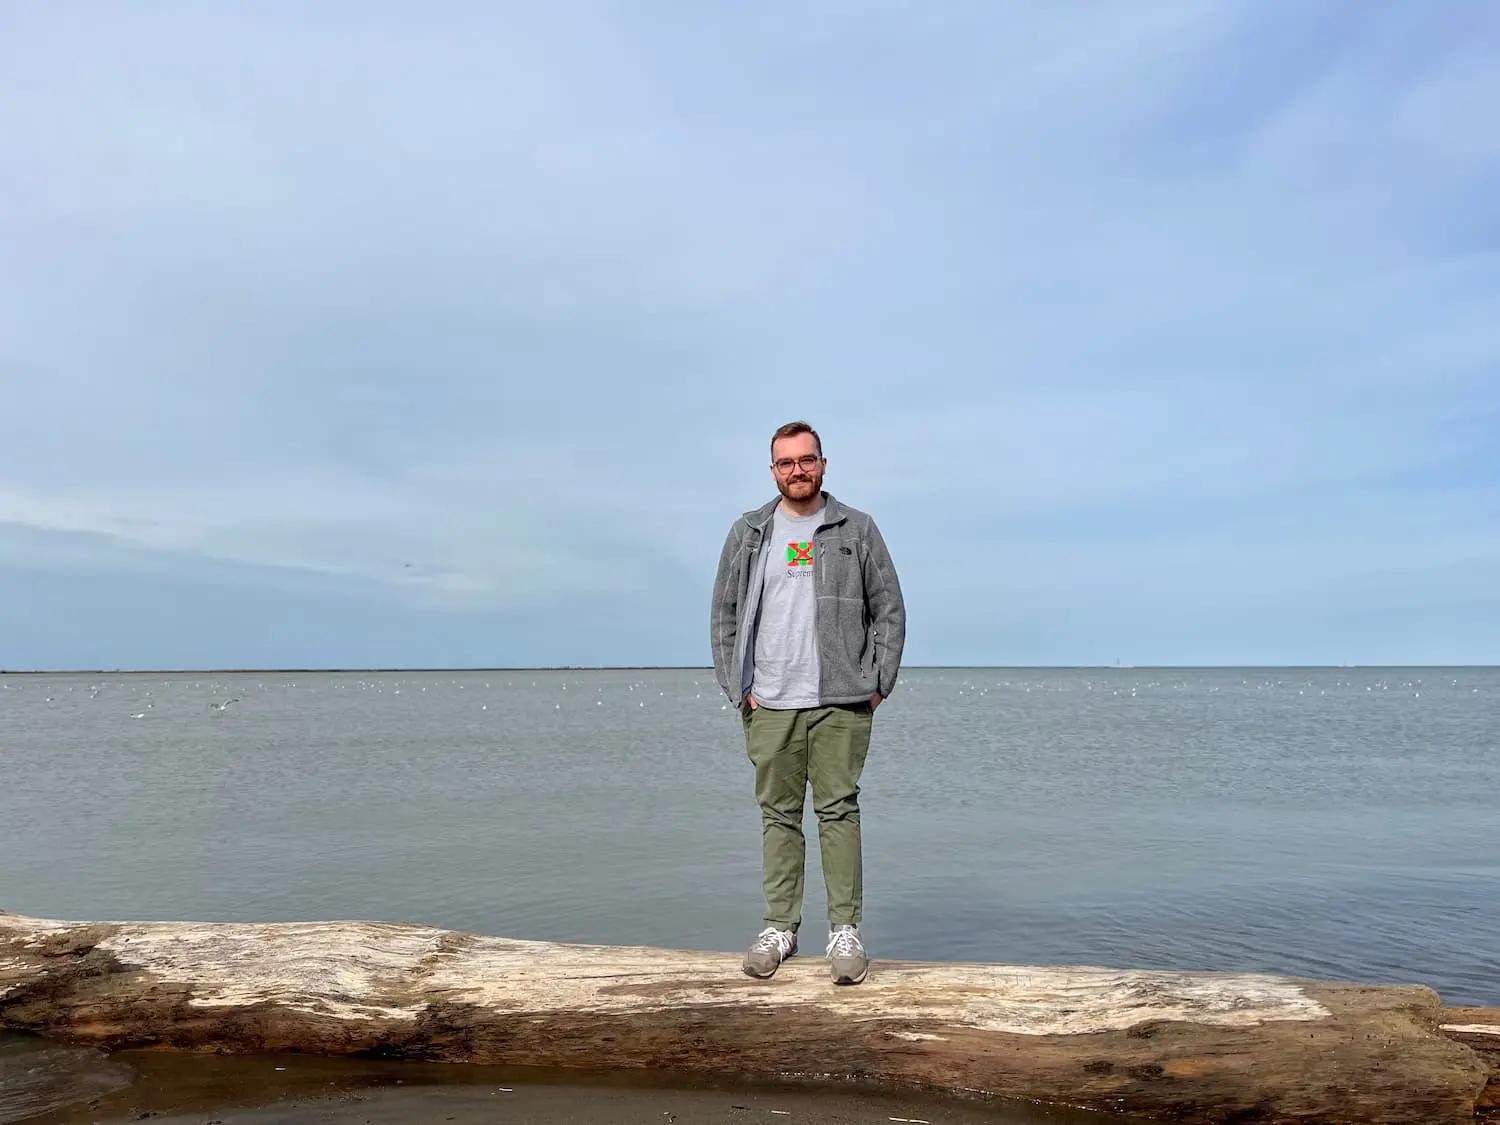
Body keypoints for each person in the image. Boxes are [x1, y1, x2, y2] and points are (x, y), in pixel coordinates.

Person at [710, 420, 906, 985]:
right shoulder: (749, 532)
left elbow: (888, 610)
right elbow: (724, 615)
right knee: (778, 816)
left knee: (839, 811)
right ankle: (781, 928)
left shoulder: (856, 529)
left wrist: (878, 682)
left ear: (823, 463)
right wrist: (737, 688)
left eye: (807, 460)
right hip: (768, 701)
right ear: (773, 470)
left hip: (842, 700)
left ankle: (845, 930)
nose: (798, 470)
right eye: (786, 462)